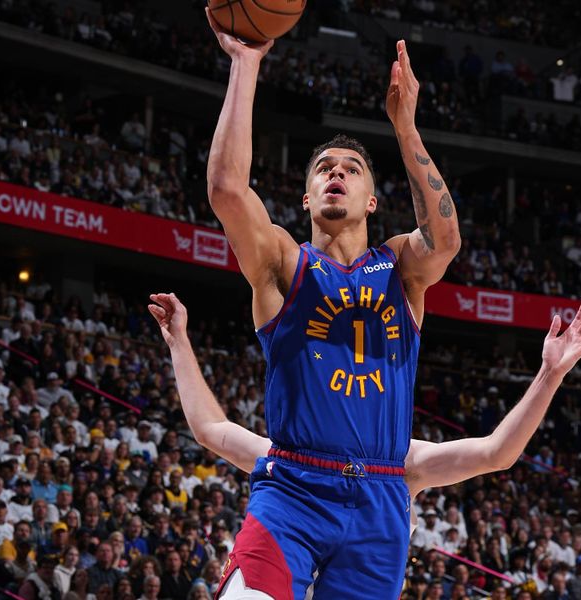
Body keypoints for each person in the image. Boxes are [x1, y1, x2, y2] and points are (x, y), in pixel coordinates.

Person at [201, 5, 462, 596]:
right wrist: (245, 63)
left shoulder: (398, 268)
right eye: (324, 168)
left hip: (379, 499)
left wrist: (406, 129)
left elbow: (446, 238)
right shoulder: (284, 263)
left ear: (372, 200)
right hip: (293, 488)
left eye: (350, 169)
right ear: (307, 195)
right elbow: (225, 189)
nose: (336, 173)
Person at [149, 295, 581, 598]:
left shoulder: (403, 462)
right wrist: (179, 341)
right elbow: (209, 427)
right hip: (284, 533)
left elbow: (497, 453)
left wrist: (550, 375)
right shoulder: (289, 453)